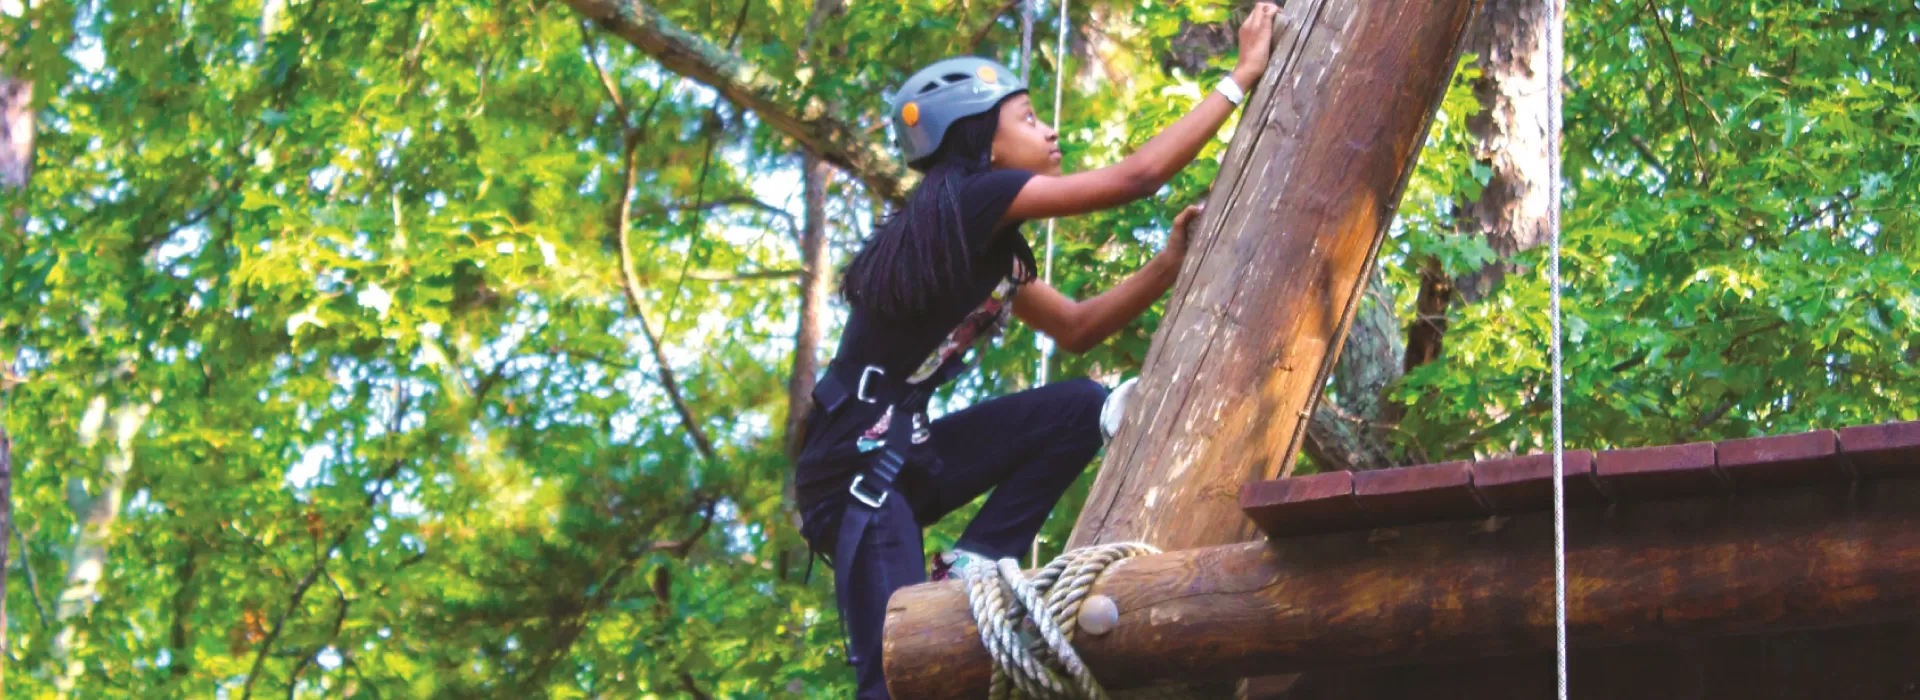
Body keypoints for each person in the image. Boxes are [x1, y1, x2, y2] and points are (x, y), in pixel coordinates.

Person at [791, 4, 1280, 697]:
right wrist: (1242, 74)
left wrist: (1165, 265)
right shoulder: (969, 201)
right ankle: (958, 585)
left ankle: (972, 569)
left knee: (1080, 408)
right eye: (1025, 119)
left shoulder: (978, 242)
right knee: (900, 675)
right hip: (855, 471)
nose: (1048, 128)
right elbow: (1136, 178)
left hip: (905, 453)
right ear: (981, 143)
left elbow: (1076, 329)